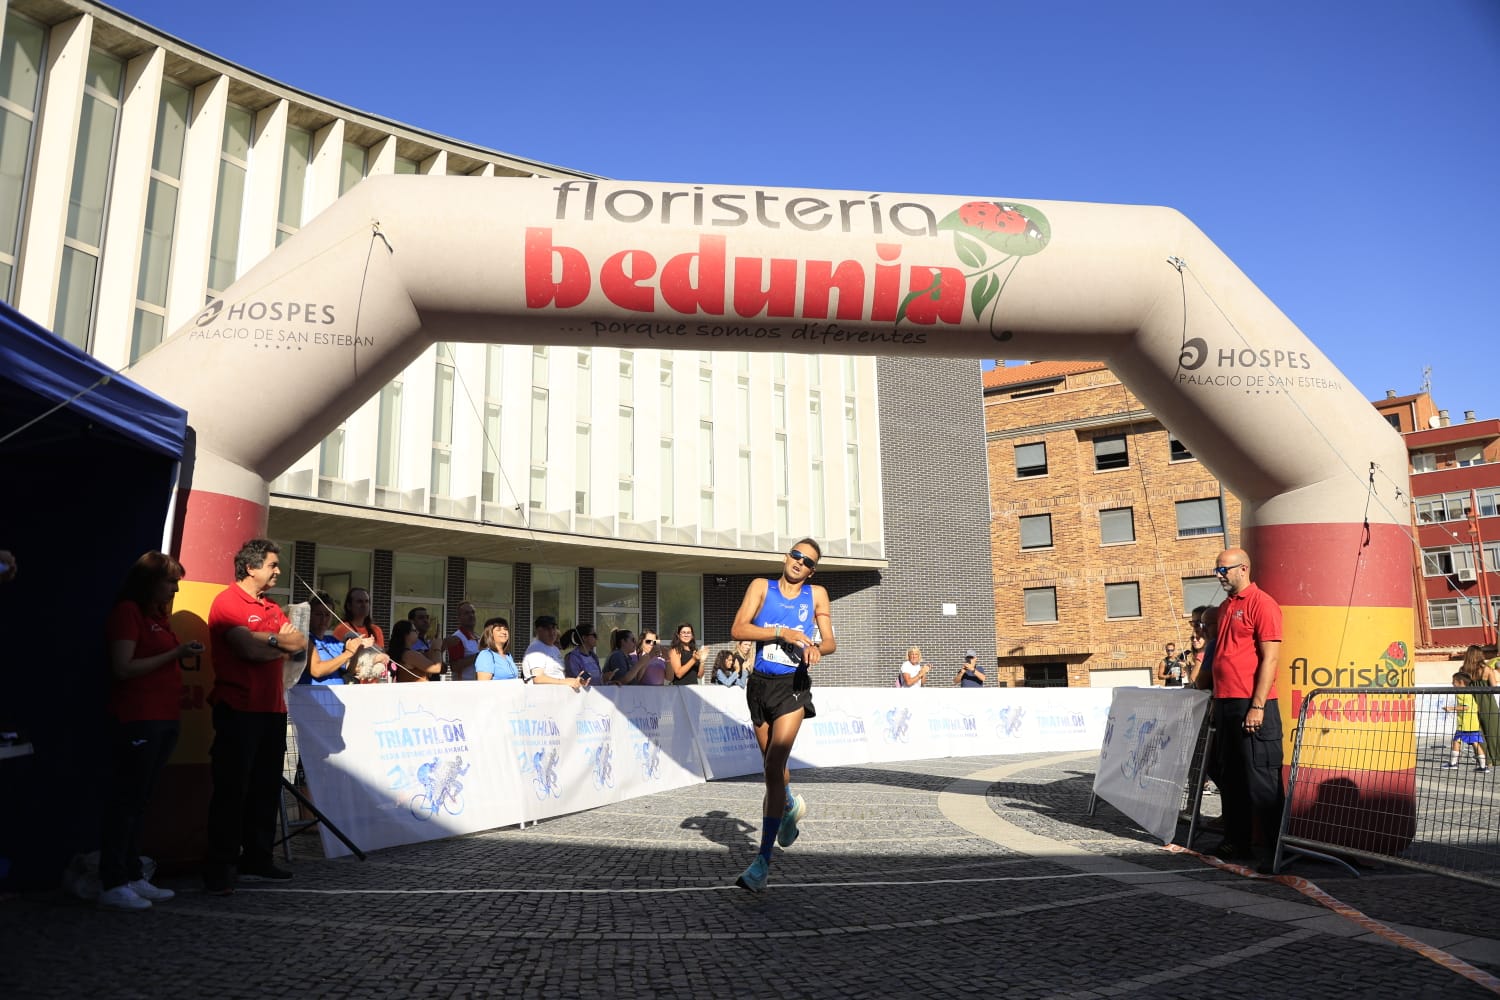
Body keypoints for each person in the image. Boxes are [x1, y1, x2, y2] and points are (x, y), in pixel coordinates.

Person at [203, 538, 308, 894]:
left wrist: (271, 642)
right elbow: (246, 648)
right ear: (251, 567)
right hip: (239, 708)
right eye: (273, 565)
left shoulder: (271, 605)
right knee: (232, 790)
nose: (278, 571)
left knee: (264, 788)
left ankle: (258, 858)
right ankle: (220, 866)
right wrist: (277, 642)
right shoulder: (227, 602)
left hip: (272, 709)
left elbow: (300, 644)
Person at [730, 538, 835, 892]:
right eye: (796, 555)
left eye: (807, 561)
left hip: (793, 686)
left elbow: (830, 641)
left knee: (775, 766)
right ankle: (789, 804)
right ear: (785, 556)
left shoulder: (816, 594)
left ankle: (762, 863)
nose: (799, 563)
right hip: (759, 685)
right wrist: (780, 632)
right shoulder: (761, 586)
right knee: (771, 769)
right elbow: (738, 628)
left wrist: (816, 649)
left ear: (812, 571)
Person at [99, 551, 201, 910]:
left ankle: (131, 874)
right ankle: (112, 880)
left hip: (163, 718)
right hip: (137, 718)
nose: (175, 588)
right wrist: (174, 656)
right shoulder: (128, 612)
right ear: (150, 582)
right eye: (170, 581)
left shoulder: (158, 617)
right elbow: (123, 667)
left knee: (140, 801)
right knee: (126, 801)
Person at [1209, 547, 1284, 873]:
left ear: (1243, 568)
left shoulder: (1262, 603)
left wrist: (1257, 705)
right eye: (1217, 570)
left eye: (1224, 570)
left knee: (1261, 781)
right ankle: (1235, 840)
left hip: (1252, 703)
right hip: (1226, 702)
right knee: (1230, 777)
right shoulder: (1226, 607)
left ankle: (1271, 851)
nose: (1219, 575)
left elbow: (1270, 658)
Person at [300, 591, 370, 685]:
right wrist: (348, 653)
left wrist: (356, 650)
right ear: (309, 615)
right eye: (319, 614)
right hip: (315, 696)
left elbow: (349, 669)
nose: (324, 619)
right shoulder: (304, 639)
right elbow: (317, 670)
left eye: (328, 615)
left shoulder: (332, 641)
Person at [1460, 644, 1500, 766]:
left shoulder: (1463, 671)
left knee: (1478, 733)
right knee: (1493, 731)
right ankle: (1497, 759)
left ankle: (1485, 760)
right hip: (1487, 703)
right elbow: (1494, 687)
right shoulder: (1487, 669)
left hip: (1472, 703)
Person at [522, 614, 587, 689]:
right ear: (538, 631)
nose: (552, 632)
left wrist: (576, 681)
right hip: (541, 697)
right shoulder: (536, 648)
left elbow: (559, 674)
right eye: (547, 629)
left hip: (557, 696)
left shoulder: (554, 649)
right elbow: (538, 679)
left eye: (554, 628)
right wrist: (567, 682)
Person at [1442, 672, 1489, 772]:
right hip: (1469, 724)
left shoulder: (1464, 693)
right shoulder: (1466, 692)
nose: (1452, 683)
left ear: (1461, 682)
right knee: (1470, 743)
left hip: (1466, 724)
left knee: (1461, 742)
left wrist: (1451, 708)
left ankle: (1454, 763)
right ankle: (1483, 766)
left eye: (1454, 682)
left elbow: (1466, 707)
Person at [444, 602, 482, 679]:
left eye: (472, 612)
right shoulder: (457, 638)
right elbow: (454, 667)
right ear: (459, 617)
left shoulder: (478, 637)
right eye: (466, 613)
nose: (471, 615)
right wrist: (478, 656)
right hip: (463, 687)